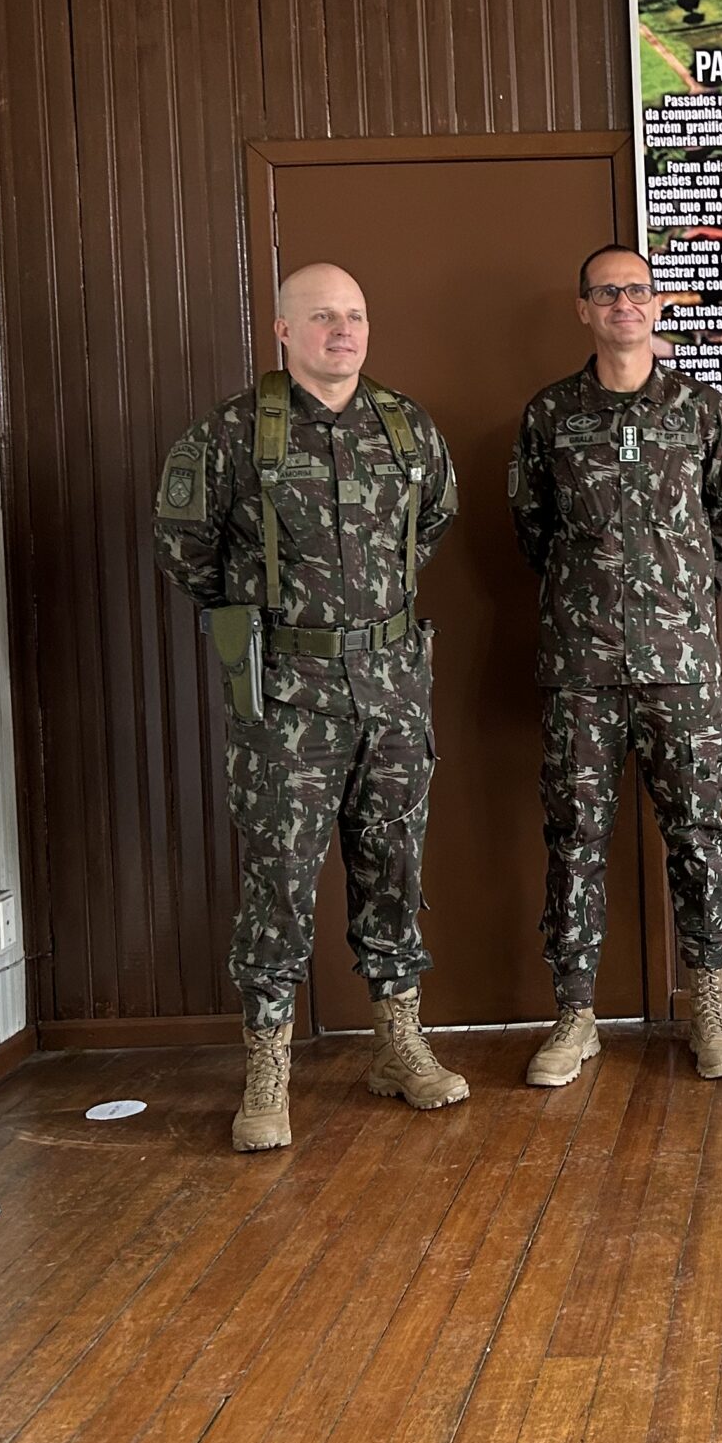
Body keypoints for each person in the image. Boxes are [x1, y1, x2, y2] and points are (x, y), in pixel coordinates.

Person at [154, 261, 467, 1153]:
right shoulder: (229, 434)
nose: (345, 330)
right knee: (279, 881)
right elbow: (186, 552)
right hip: (286, 696)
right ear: (283, 331)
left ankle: (398, 1042)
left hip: (394, 685)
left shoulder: (407, 428)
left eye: (357, 315)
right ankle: (267, 1068)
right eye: (323, 317)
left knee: (395, 865)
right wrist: (268, 627)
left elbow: (435, 521)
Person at [510, 245, 722, 1086]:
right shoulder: (549, 416)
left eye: (638, 291)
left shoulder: (703, 411)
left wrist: (674, 606)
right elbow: (532, 533)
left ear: (658, 306)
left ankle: (710, 1006)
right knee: (574, 838)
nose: (625, 304)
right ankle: (574, 1017)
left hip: (681, 667)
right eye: (608, 292)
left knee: (699, 837)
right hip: (580, 667)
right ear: (583, 308)